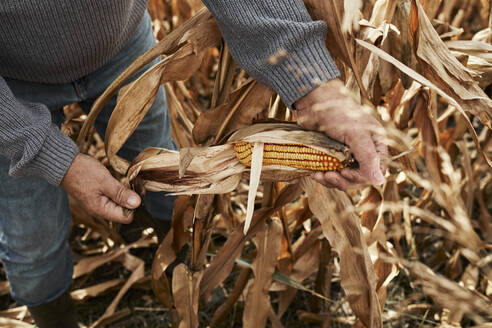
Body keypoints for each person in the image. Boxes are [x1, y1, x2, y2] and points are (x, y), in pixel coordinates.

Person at [0, 1, 386, 327]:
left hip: (123, 50)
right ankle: (55, 317)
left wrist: (313, 86)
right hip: (11, 85)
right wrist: (52, 158)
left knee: (166, 169)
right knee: (32, 236)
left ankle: (174, 258)